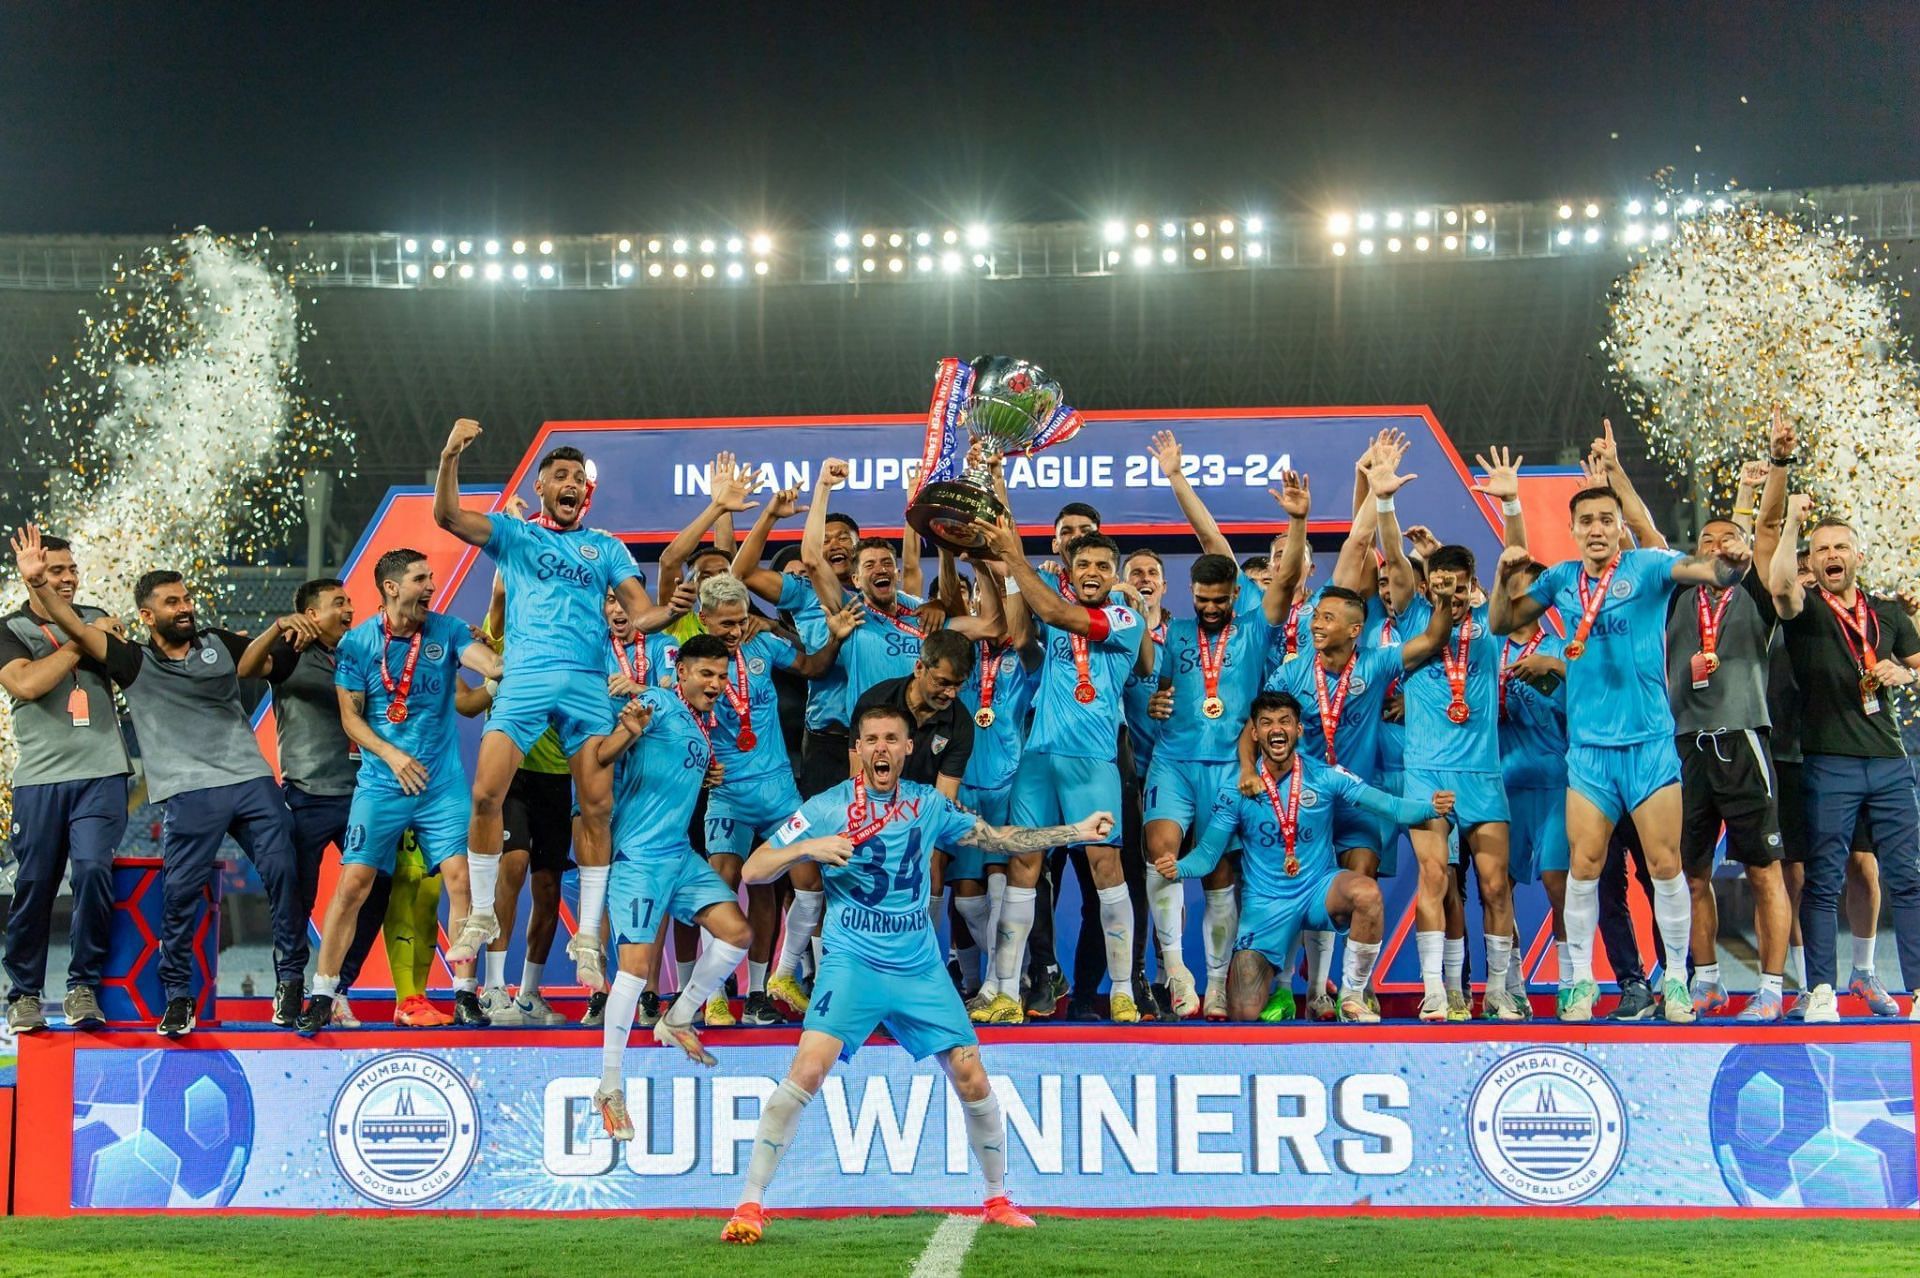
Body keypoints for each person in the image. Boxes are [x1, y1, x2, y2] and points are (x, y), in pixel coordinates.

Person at [720, 702, 1113, 1244]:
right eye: (871, 739)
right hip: (853, 961)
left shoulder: (928, 804)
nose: (881, 748)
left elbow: (995, 839)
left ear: (908, 748)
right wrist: (809, 847)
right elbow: (753, 867)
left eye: (891, 738)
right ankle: (749, 1205)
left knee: (970, 1072)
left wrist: (1075, 829)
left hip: (918, 964)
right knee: (807, 1070)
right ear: (856, 750)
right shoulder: (827, 806)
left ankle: (998, 1197)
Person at [14, 527, 314, 1035]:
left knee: (285, 866)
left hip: (248, 777)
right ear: (147, 616)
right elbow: (68, 625)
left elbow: (267, 664)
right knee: (179, 895)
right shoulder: (133, 662)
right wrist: (39, 583)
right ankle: (178, 996)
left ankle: (290, 983)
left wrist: (299, 634)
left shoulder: (217, 642)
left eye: (188, 598)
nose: (185, 607)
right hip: (187, 791)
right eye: (172, 601)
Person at [1490, 481, 1752, 1023]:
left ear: (1619, 526)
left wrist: (1733, 565)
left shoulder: (1650, 567)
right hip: (1588, 752)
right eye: (1586, 521)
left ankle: (1676, 982)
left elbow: (1710, 574)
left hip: (1650, 745)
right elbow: (1501, 621)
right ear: (1572, 529)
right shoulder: (1561, 579)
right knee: (1584, 869)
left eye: (1606, 520)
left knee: (1665, 865)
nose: (1596, 530)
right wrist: (1499, 577)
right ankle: (1580, 984)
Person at [432, 421, 673, 995]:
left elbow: (640, 615)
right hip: (527, 678)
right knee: (487, 794)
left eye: (576, 478)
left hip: (588, 686)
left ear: (584, 494)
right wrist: (449, 459)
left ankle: (588, 936)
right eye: (558, 475)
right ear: (541, 489)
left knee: (596, 810)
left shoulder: (606, 547)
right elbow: (447, 517)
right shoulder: (516, 537)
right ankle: (483, 915)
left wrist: (671, 609)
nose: (569, 483)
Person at [296, 548, 501, 1032]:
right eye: (420, 578)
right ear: (391, 588)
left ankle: (465, 994)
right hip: (382, 784)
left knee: (460, 881)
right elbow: (351, 716)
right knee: (353, 886)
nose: (430, 585)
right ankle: (323, 992)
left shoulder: (446, 630)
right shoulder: (357, 643)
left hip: (440, 785)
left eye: (430, 577)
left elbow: (488, 667)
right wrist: (391, 755)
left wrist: (499, 660)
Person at [1159, 691, 1450, 1022]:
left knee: (1367, 893)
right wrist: (1179, 868)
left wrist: (1430, 807)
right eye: (1266, 723)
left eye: (1285, 721)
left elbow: (1388, 805)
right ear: (1254, 733)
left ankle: (1353, 995)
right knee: (1244, 1013)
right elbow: (1210, 854)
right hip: (1266, 906)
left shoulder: (1326, 776)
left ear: (1298, 729)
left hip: (1318, 890)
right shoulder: (1237, 788)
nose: (1276, 729)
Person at [974, 516, 1146, 1023]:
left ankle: (1122, 991)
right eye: (1083, 563)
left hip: (1092, 762)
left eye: (1103, 565)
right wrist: (1003, 556)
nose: (1092, 571)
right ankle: (1006, 991)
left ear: (1114, 575)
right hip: (1037, 761)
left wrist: (1015, 558)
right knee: (1022, 868)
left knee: (1105, 867)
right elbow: (1024, 625)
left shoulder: (1125, 619)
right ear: (1069, 567)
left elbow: (1054, 610)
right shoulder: (1052, 603)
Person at [593, 635, 753, 1139]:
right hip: (638, 859)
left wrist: (702, 775)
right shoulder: (658, 701)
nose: (716, 684)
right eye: (706, 674)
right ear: (680, 671)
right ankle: (609, 1086)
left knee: (736, 933)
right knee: (636, 972)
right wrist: (627, 732)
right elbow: (602, 755)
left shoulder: (701, 726)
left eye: (723, 677)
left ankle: (679, 1017)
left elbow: (668, 767)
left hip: (678, 857)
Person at [1768, 498, 1920, 1022]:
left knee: (1908, 877)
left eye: (1839, 547)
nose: (1831, 555)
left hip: (1889, 761)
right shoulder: (1804, 609)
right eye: (1821, 549)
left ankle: (1918, 989)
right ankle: (1822, 990)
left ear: (1858, 554)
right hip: (1827, 761)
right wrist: (1791, 525)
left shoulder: (1889, 614)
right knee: (1824, 878)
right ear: (1811, 561)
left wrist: (1910, 674)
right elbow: (1781, 585)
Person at [698, 572, 860, 1021]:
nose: (734, 632)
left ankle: (767, 986)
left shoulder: (762, 645)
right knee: (721, 890)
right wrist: (697, 770)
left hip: (778, 793)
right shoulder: (689, 663)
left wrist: (830, 637)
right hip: (727, 794)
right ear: (703, 619)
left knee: (804, 888)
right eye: (725, 624)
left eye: (740, 620)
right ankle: (713, 995)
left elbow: (813, 667)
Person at [1670, 428, 1792, 1021]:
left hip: (1742, 740)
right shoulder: (1673, 598)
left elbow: (1766, 528)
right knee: (1692, 874)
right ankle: (1708, 982)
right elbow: (1642, 533)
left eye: (1729, 539)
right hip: (1686, 746)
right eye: (1706, 539)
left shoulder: (1757, 596)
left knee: (1765, 872)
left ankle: (1770, 989)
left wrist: (1777, 463)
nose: (1717, 546)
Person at [0, 533, 131, 1033]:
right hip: (40, 779)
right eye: (56, 571)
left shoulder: (99, 613)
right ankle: (24, 994)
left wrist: (99, 634)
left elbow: (126, 665)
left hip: (102, 772)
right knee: (34, 886)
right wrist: (83, 639)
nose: (69, 579)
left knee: (95, 871)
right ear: (33, 575)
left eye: (71, 569)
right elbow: (27, 684)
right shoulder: (10, 629)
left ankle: (83, 986)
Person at [264, 577, 387, 1029]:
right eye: (339, 603)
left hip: (362, 794)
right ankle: (290, 984)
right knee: (298, 897)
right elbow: (247, 667)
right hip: (308, 795)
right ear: (312, 614)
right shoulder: (290, 654)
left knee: (378, 889)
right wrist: (278, 631)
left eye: (351, 601)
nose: (350, 608)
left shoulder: (361, 655)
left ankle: (336, 987)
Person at [476, 564, 579, 1027]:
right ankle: (493, 987)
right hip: (513, 770)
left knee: (548, 885)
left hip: (557, 774)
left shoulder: (580, 641)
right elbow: (497, 602)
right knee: (511, 866)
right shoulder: (510, 633)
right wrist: (510, 551)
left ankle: (530, 993)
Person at [1494, 558, 1567, 1019]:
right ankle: (1513, 985)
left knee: (1561, 886)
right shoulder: (1487, 650)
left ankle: (1571, 982)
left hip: (1558, 782)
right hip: (1504, 785)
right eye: (1513, 593)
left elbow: (1590, 701)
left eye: (1529, 594)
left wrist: (1554, 668)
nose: (1522, 603)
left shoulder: (1562, 648)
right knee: (1498, 888)